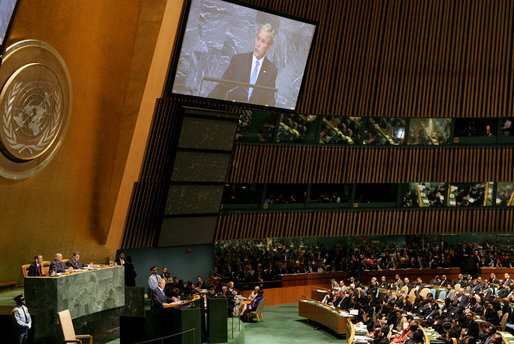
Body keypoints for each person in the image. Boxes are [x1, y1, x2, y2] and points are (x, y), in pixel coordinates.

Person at [208, 23, 278, 106]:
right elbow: (222, 87)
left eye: (263, 41)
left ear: (269, 48)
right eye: (258, 39)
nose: (258, 44)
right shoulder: (238, 60)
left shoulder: (271, 70)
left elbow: (269, 98)